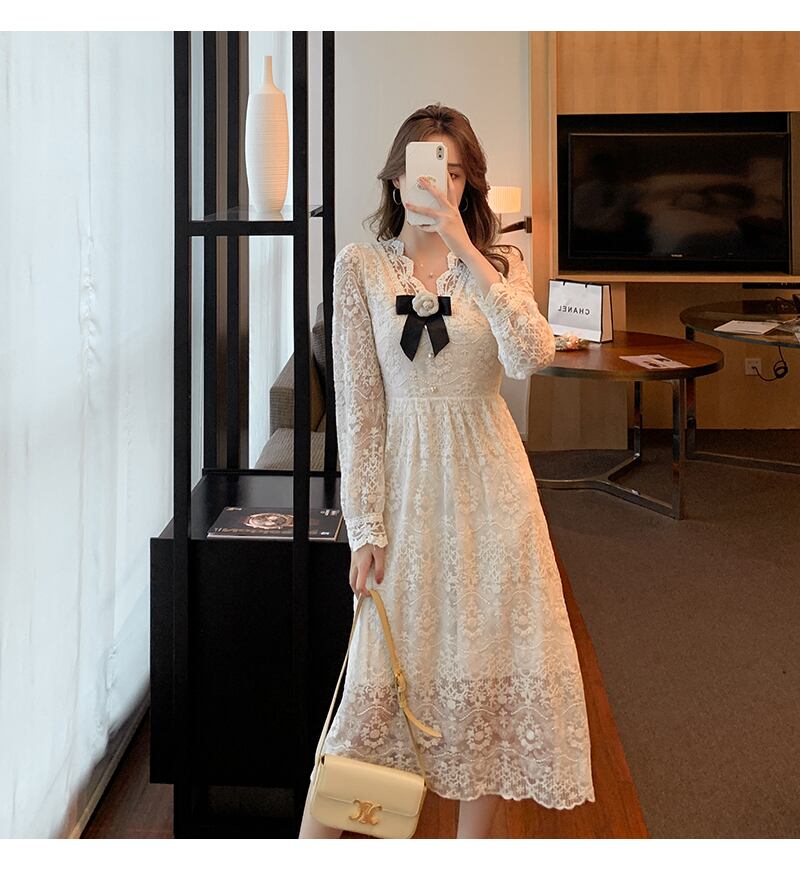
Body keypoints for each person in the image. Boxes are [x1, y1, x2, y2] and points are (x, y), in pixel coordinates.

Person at [299, 103, 595, 839]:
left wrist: (466, 247)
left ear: (469, 185)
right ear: (398, 179)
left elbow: (532, 355)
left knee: (486, 679)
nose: (439, 184)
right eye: (427, 169)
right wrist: (364, 527)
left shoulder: (502, 265)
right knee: (370, 696)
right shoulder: (360, 267)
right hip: (405, 495)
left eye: (456, 173)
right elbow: (359, 410)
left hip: (494, 496)